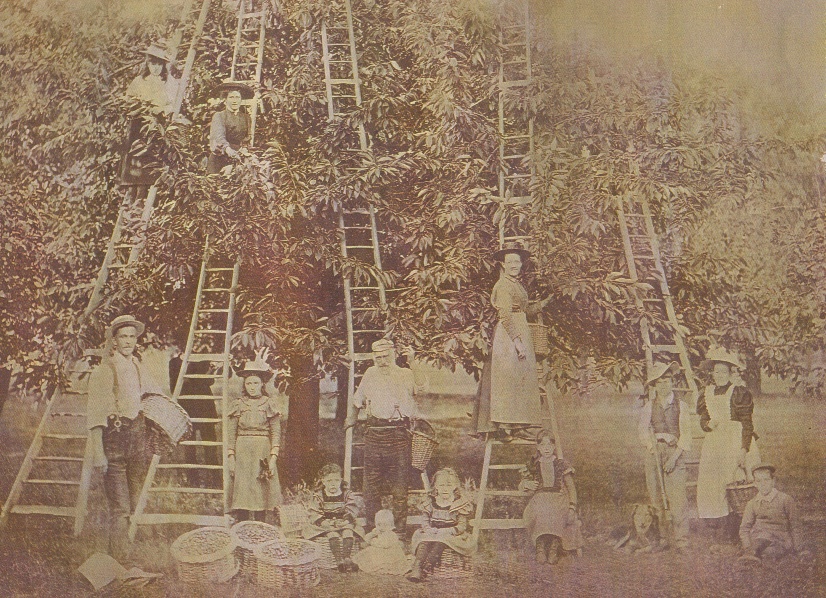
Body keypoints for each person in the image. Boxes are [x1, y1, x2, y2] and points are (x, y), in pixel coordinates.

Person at [88, 315, 162, 561]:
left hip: (138, 438)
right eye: (123, 336)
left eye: (132, 336)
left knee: (136, 500)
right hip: (115, 440)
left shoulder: (139, 366)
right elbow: (96, 415)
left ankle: (131, 553)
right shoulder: (105, 369)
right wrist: (99, 453)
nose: (128, 341)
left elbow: (155, 396)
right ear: (114, 341)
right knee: (119, 507)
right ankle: (119, 562)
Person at [344, 338, 427, 528]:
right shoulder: (370, 373)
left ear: (395, 355)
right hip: (374, 433)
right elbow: (358, 400)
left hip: (399, 433)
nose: (382, 361)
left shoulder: (405, 374)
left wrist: (413, 362)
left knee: (399, 488)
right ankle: (374, 529)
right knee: (371, 487)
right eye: (378, 357)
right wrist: (351, 419)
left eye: (386, 357)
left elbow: (422, 388)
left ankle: (398, 531)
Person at [473, 244, 551, 439]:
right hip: (508, 336)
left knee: (520, 378)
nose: (515, 265)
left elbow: (523, 311)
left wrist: (546, 301)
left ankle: (518, 425)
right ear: (503, 265)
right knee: (506, 379)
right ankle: (503, 426)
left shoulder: (516, 284)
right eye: (510, 262)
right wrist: (517, 342)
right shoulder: (503, 285)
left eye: (517, 261)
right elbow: (506, 315)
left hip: (520, 328)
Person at [696, 348, 760, 541]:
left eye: (724, 372)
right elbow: (703, 419)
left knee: (737, 483)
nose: (720, 375)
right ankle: (722, 529)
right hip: (715, 444)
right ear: (712, 374)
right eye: (716, 372)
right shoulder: (706, 393)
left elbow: (747, 424)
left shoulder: (739, 392)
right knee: (715, 483)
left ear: (730, 373)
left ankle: (742, 528)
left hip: (735, 441)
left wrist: (743, 450)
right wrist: (707, 424)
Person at [637, 361, 691, 550]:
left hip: (674, 452)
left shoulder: (681, 406)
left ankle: (681, 540)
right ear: (654, 386)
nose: (664, 385)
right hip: (654, 452)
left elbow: (686, 435)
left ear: (672, 382)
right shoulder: (649, 407)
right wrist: (652, 449)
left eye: (667, 381)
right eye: (659, 382)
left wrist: (673, 458)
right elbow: (642, 432)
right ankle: (662, 539)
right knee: (656, 498)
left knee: (677, 500)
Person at [226, 358, 283, 521]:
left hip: (262, 452)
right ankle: (242, 530)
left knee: (261, 493)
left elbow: (276, 433)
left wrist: (273, 458)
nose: (252, 387)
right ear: (244, 385)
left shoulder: (269, 404)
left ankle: (260, 529)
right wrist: (231, 458)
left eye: (255, 383)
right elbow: (231, 433)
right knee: (242, 492)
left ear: (262, 385)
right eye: (249, 383)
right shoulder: (238, 404)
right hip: (242, 452)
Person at [518, 429, 584, 564]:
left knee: (556, 510)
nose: (546, 449)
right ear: (538, 447)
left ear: (554, 447)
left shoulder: (561, 464)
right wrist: (527, 484)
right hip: (540, 499)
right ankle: (540, 547)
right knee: (539, 511)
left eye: (549, 446)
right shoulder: (534, 465)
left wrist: (572, 507)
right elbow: (521, 485)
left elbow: (571, 488)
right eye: (543, 445)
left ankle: (554, 547)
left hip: (558, 498)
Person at [407, 467, 475, 582]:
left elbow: (462, 526)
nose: (445, 489)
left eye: (449, 485)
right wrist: (428, 529)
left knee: (440, 542)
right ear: (436, 487)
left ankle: (427, 567)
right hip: (432, 531)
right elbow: (425, 520)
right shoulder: (431, 501)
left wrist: (448, 531)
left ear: (455, 487)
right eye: (441, 485)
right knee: (424, 541)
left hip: (449, 534)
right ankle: (417, 567)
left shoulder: (458, 503)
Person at [302, 463, 365, 573]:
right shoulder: (319, 495)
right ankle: (338, 560)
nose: (333, 484)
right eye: (329, 481)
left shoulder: (346, 493)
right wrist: (323, 522)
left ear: (340, 480)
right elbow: (314, 511)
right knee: (332, 533)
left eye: (336, 480)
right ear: (323, 481)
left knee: (349, 530)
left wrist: (346, 521)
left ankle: (347, 557)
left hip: (343, 522)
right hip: (327, 523)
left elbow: (352, 507)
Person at [738, 464, 807, 563]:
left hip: (780, 538)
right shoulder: (752, 503)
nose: (763, 484)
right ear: (755, 484)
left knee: (771, 551)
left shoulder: (785, 499)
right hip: (758, 539)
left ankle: (756, 554)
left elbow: (796, 524)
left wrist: (799, 548)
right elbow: (744, 528)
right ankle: (751, 553)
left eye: (766, 480)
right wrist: (747, 546)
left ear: (773, 481)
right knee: (762, 542)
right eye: (759, 481)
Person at [207, 81, 253, 174]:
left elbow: (247, 137)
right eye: (231, 97)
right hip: (220, 158)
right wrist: (228, 149)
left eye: (237, 97)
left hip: (238, 157)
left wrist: (243, 149)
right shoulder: (219, 116)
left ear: (241, 100)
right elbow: (218, 137)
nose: (235, 100)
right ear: (225, 100)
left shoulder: (246, 117)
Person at [351, 508, 410, 575]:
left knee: (381, 560)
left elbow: (385, 545)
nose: (381, 527)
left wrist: (373, 541)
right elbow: (366, 539)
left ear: (390, 525)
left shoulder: (391, 534)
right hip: (377, 550)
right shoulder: (377, 532)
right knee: (366, 553)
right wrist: (372, 534)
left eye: (385, 525)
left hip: (389, 553)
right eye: (379, 524)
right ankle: (356, 565)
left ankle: (378, 567)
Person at [124, 44, 178, 114]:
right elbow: (128, 99)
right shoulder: (139, 80)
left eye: (159, 64)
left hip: (162, 118)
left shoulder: (169, 81)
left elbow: (174, 104)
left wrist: (163, 109)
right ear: (148, 64)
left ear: (163, 66)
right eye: (153, 64)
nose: (156, 68)